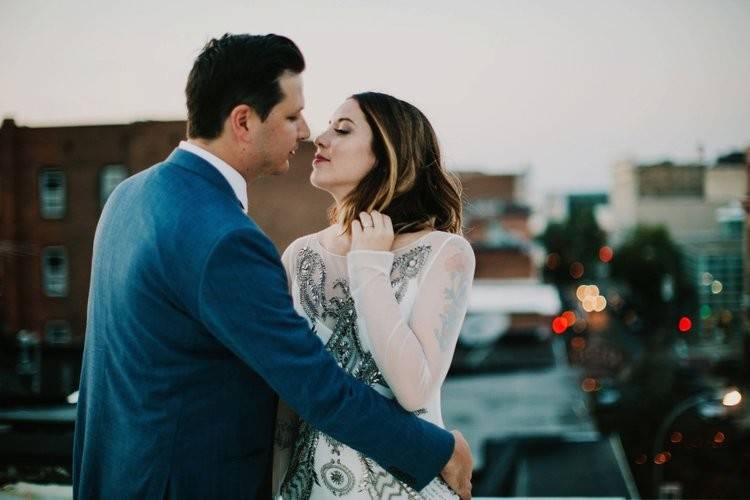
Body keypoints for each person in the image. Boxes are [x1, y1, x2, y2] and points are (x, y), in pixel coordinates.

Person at [72, 34, 473, 500]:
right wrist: (434, 451)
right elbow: (311, 382)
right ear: (243, 121)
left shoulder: (128, 196)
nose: (305, 132)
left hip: (116, 477)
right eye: (291, 116)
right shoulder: (226, 238)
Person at [273, 92, 476, 499]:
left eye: (342, 130)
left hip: (406, 487)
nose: (321, 139)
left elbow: (414, 389)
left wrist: (368, 266)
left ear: (388, 156)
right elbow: (288, 399)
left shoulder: (444, 252)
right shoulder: (299, 255)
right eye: (328, 126)